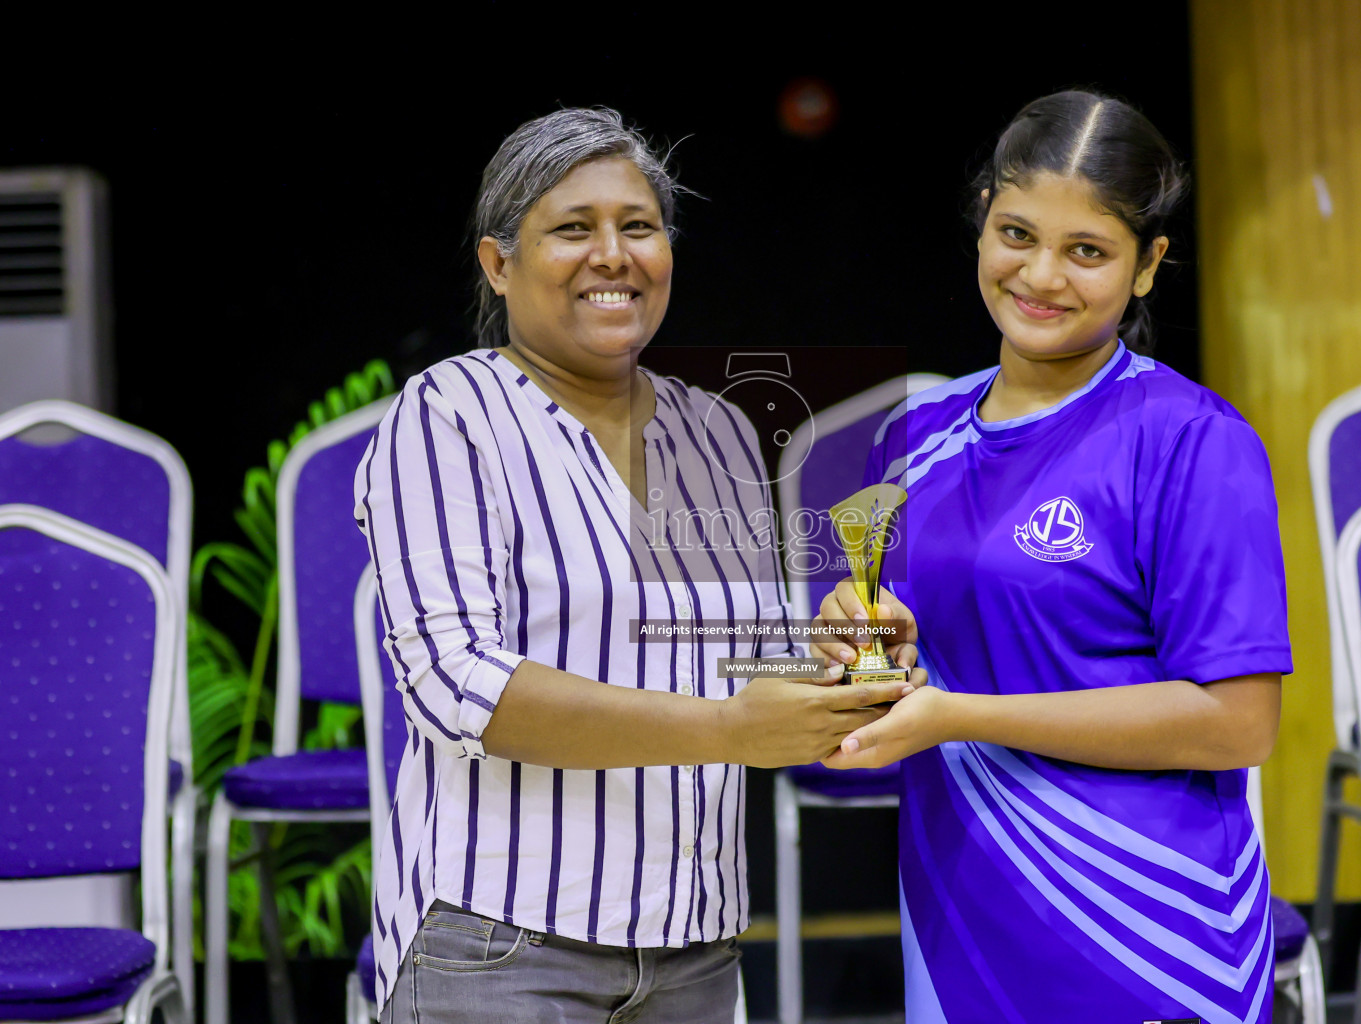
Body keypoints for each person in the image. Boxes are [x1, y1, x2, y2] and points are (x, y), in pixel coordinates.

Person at [355, 108, 919, 1024]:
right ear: (499, 265)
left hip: (693, 948)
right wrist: (733, 731)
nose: (612, 254)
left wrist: (830, 659)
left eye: (640, 227)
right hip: (501, 942)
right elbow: (455, 684)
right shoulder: (450, 414)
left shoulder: (719, 430)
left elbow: (723, 658)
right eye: (573, 228)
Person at [812, 91, 1291, 1024]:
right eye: (1017, 233)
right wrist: (851, 638)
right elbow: (895, 661)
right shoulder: (912, 437)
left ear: (1149, 267)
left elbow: (1238, 725)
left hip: (1149, 919)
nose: (1041, 275)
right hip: (959, 913)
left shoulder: (1193, 440)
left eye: (1087, 251)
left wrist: (956, 714)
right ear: (984, 217)